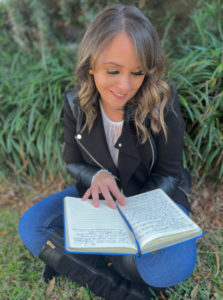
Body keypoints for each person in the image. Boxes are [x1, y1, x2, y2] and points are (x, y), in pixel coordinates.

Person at [18, 4, 197, 300]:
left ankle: (75, 257)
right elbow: (73, 162)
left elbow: (169, 174)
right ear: (91, 64)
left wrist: (134, 216)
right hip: (101, 201)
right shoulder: (75, 103)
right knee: (33, 225)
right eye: (112, 70)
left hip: (152, 200)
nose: (125, 85)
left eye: (137, 72)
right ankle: (121, 290)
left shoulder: (162, 100)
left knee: (170, 267)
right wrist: (97, 175)